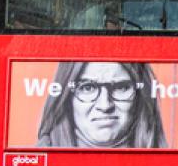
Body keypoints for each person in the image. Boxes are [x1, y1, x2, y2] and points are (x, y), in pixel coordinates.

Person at [36, 61, 167, 149]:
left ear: (141, 97)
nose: (105, 106)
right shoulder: (39, 156)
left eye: (121, 87)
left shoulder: (165, 161)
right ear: (66, 99)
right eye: (87, 88)